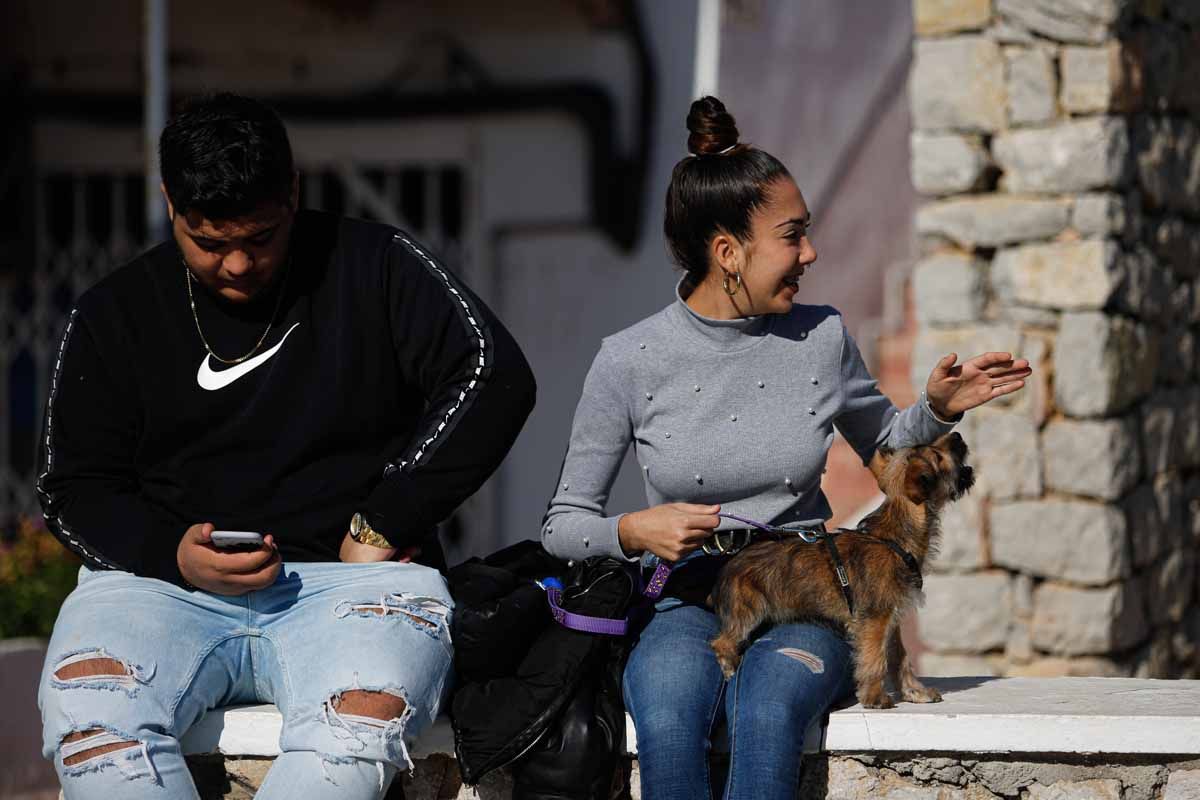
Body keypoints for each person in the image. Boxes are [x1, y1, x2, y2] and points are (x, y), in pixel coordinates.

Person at [36, 92, 536, 799]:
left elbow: (494, 375)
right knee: (95, 728)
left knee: (357, 730)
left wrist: (385, 518)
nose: (237, 264)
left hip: (356, 590)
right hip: (156, 592)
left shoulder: (375, 263)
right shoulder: (114, 313)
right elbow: (71, 488)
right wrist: (169, 552)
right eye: (209, 243)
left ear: (293, 194)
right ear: (168, 204)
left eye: (260, 237)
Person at [540, 96, 1031, 800]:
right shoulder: (630, 359)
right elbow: (562, 525)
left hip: (813, 593)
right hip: (684, 599)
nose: (811, 252)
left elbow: (886, 450)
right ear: (727, 252)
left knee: (767, 712)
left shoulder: (822, 336)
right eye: (792, 236)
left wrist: (937, 410)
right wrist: (633, 528)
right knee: (670, 718)